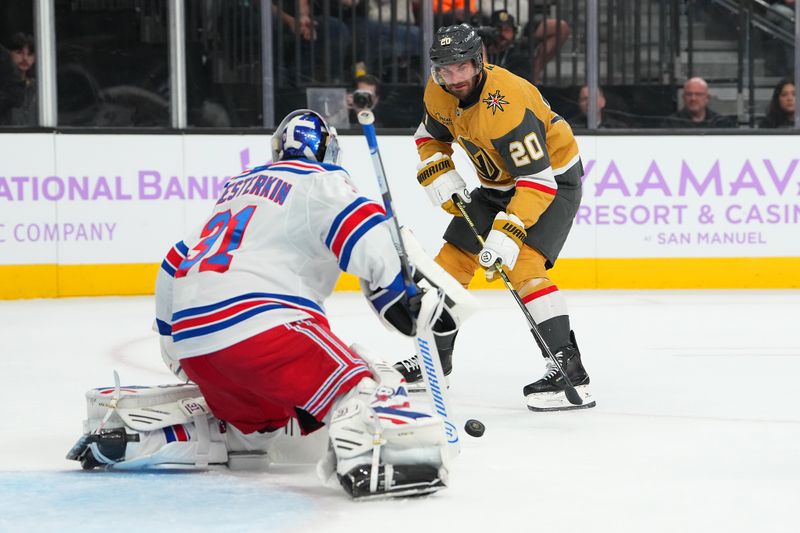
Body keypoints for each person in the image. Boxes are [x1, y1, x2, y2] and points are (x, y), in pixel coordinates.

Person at [66, 109, 458, 499]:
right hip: (261, 327)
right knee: (362, 384)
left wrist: (174, 347)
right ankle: (380, 457)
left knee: (257, 426)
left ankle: (153, 435)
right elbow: (363, 224)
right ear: (330, 152)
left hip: (195, 342)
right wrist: (394, 292)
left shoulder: (237, 188)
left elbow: (175, 259)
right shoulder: (322, 180)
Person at [398, 23, 595, 412]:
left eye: (462, 68)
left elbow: (536, 180)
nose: (454, 78)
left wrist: (509, 231)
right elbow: (429, 134)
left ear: (480, 61)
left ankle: (571, 372)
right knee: (450, 262)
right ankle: (433, 362)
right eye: (445, 69)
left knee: (523, 266)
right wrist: (438, 166)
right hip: (497, 185)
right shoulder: (437, 89)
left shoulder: (506, 104)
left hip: (551, 180)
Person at [662, 77, 734, 128]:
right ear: (683, 98)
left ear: (707, 98)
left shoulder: (720, 123)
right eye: (689, 94)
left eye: (698, 94)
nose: (693, 98)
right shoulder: (671, 123)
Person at [2, 32, 36, 126]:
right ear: (9, 54)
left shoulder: (40, 87)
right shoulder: (3, 86)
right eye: (19, 53)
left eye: (30, 54)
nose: (25, 58)